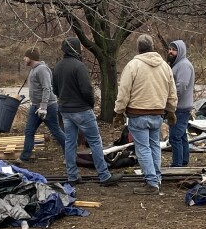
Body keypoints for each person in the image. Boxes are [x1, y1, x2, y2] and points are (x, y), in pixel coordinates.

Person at [52, 37, 122, 187]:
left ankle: (72, 176)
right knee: (95, 142)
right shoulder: (79, 66)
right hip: (82, 110)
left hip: (65, 110)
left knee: (70, 143)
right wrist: (90, 104)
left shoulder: (57, 67)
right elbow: (87, 90)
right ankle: (104, 175)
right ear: (75, 49)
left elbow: (55, 90)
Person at [115, 34, 178, 195]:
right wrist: (171, 110)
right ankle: (156, 178)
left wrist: (119, 111)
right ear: (152, 46)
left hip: (137, 114)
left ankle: (151, 182)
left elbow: (124, 92)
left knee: (142, 148)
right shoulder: (165, 66)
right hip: (157, 114)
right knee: (154, 146)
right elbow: (172, 92)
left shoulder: (133, 66)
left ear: (139, 48)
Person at [20, 47, 66, 162]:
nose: (24, 58)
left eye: (25, 56)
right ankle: (25, 157)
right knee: (29, 131)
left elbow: (47, 88)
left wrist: (43, 107)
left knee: (56, 131)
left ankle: (71, 154)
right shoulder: (33, 69)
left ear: (30, 57)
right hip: (35, 107)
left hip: (47, 107)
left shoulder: (42, 70)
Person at [167, 40, 195, 168]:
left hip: (181, 108)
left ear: (181, 51)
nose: (170, 51)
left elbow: (181, 86)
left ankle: (177, 165)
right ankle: (183, 161)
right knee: (182, 135)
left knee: (175, 137)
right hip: (180, 107)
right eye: (170, 49)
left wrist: (171, 102)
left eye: (174, 49)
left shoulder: (183, 65)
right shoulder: (178, 64)